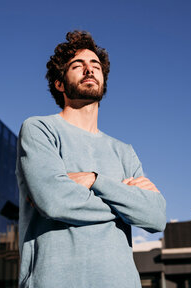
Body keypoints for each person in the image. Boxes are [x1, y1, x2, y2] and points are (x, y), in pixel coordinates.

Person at [15, 31, 166, 288]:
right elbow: (53, 201)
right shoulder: (39, 129)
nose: (89, 70)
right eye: (78, 66)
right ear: (59, 84)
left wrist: (95, 180)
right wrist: (125, 204)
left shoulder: (124, 151)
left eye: (95, 65)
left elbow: (155, 216)